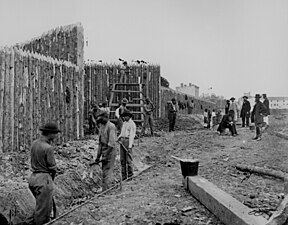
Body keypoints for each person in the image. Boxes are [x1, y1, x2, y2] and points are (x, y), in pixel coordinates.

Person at [26, 123, 61, 225]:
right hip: (43, 180)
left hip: (33, 178)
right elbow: (53, 168)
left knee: (39, 209)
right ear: (50, 133)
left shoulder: (34, 143)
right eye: (55, 134)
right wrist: (51, 180)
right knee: (43, 214)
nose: (56, 136)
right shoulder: (48, 148)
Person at [94, 110, 117, 191]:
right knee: (104, 171)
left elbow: (111, 144)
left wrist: (106, 155)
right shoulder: (101, 126)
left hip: (110, 151)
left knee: (108, 171)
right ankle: (105, 188)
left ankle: (107, 190)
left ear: (106, 117)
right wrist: (98, 157)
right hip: (104, 150)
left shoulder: (111, 126)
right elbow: (100, 143)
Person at [118, 110, 136, 180]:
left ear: (129, 116)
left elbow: (132, 135)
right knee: (122, 160)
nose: (125, 118)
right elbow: (122, 133)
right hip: (122, 140)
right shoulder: (124, 123)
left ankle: (130, 176)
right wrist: (119, 138)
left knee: (128, 160)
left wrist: (130, 146)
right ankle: (124, 177)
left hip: (128, 141)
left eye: (126, 116)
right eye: (124, 116)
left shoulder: (132, 124)